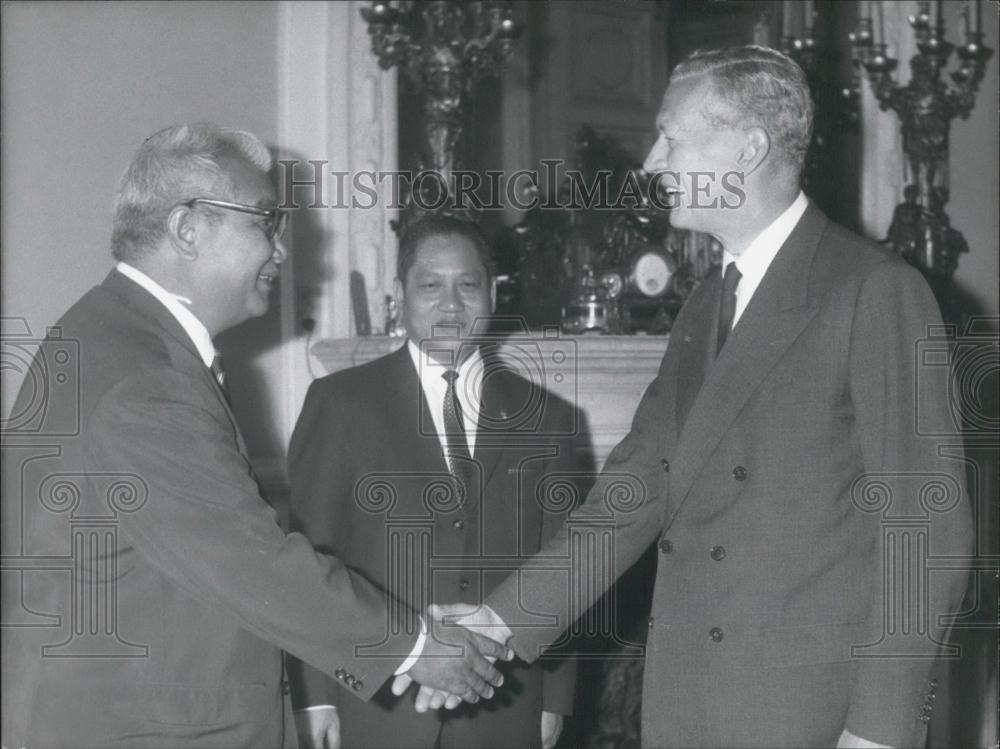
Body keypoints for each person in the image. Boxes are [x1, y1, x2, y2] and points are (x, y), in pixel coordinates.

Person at [432, 46, 974, 748]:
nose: (654, 160)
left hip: (809, 712)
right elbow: (631, 491)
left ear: (748, 149)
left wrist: (880, 727)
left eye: (673, 137)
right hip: (690, 701)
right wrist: (502, 618)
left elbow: (926, 529)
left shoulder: (872, 289)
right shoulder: (705, 305)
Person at [0, 124, 509, 749]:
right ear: (187, 229)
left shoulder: (109, 334)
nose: (282, 250)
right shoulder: (145, 379)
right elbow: (251, 559)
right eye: (264, 222)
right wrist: (416, 648)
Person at [288, 214, 590, 749]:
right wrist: (313, 696)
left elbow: (563, 563)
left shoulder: (547, 419)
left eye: (467, 284)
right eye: (431, 285)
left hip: (505, 702)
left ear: (491, 294)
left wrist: (555, 699)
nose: (451, 304)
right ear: (400, 294)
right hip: (375, 704)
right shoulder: (339, 404)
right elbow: (308, 558)